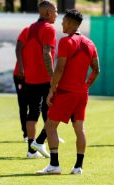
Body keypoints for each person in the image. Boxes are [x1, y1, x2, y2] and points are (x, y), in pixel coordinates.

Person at [37, 9, 100, 175]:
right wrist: (86, 86)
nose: (61, 23)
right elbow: (97, 70)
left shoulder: (66, 42)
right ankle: (78, 167)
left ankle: (54, 165)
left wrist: (51, 90)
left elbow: (59, 69)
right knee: (79, 128)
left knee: (50, 126)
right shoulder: (90, 43)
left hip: (66, 92)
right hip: (81, 93)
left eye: (64, 21)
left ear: (71, 23)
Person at [20, 0, 58, 158]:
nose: (56, 14)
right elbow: (46, 53)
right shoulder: (49, 28)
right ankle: (40, 142)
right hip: (44, 78)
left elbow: (22, 49)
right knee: (55, 112)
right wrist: (53, 76)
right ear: (48, 12)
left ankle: (31, 150)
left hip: (30, 78)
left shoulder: (30, 28)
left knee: (32, 113)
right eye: (55, 11)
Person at [14, 26, 29, 142]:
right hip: (21, 76)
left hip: (37, 77)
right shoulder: (28, 30)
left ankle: (48, 133)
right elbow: (18, 48)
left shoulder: (49, 31)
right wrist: (21, 67)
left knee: (42, 106)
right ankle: (26, 134)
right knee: (24, 105)